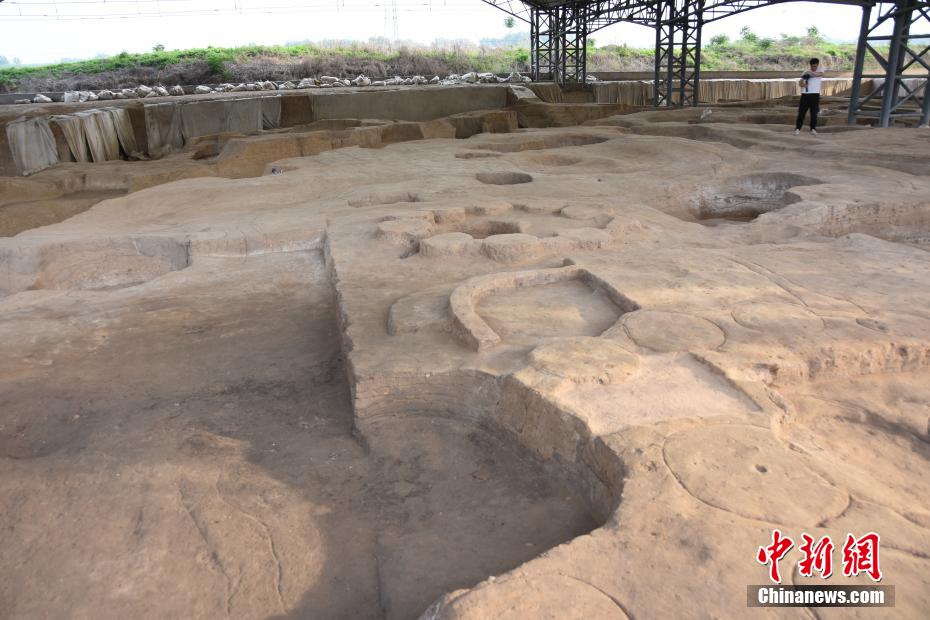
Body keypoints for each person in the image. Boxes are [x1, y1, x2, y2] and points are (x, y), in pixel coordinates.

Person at [795, 58, 824, 135]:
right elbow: (800, 83)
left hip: (815, 95)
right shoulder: (805, 72)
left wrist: (809, 73)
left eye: (815, 66)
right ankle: (797, 129)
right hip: (805, 95)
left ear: (818, 65)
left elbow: (819, 74)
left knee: (814, 113)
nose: (813, 68)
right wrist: (804, 84)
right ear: (810, 65)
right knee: (801, 113)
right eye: (812, 66)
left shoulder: (820, 70)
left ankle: (813, 129)